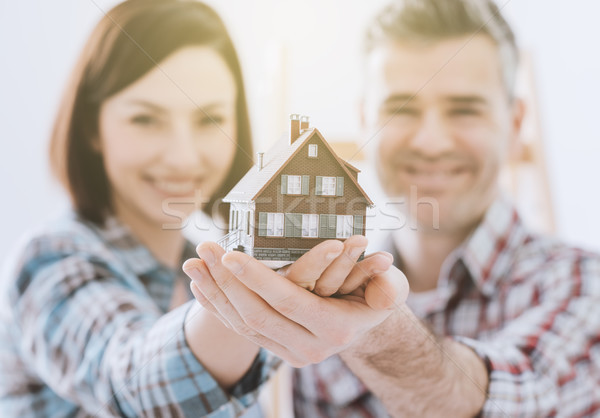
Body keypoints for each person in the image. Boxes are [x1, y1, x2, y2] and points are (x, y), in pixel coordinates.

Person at [185, 0, 600, 416]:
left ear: (514, 125)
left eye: (465, 110)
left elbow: (521, 402)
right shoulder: (302, 278)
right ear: (366, 121)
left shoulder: (584, 286)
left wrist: (378, 335)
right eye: (401, 109)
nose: (431, 142)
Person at [0, 1, 396, 416]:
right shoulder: (50, 262)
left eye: (209, 120)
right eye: (146, 120)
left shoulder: (202, 259)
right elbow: (133, 388)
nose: (182, 157)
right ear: (91, 128)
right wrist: (243, 303)